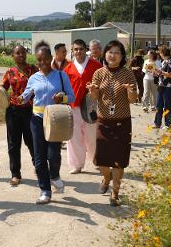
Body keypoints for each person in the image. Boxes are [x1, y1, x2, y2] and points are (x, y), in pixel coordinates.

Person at [19, 41, 75, 204]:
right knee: (39, 157)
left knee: (54, 155)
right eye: (39, 60)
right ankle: (45, 190)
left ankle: (55, 175)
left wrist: (62, 97)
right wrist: (21, 98)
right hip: (37, 120)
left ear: (51, 57)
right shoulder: (33, 78)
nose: (42, 63)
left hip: (56, 119)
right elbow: (26, 95)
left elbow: (71, 97)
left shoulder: (60, 75)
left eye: (45, 59)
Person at [87, 40, 137, 207]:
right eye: (110, 52)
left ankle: (115, 192)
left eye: (117, 52)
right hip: (103, 121)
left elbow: (133, 100)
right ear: (105, 54)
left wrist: (130, 92)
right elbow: (94, 98)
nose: (113, 55)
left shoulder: (128, 74)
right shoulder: (99, 73)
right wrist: (93, 91)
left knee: (119, 160)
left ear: (122, 56)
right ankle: (106, 177)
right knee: (101, 160)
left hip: (122, 123)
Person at [63, 39, 103, 174]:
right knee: (74, 137)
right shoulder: (67, 69)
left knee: (92, 135)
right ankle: (77, 164)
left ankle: (95, 159)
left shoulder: (96, 66)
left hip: (91, 106)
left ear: (86, 50)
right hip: (73, 106)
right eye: (76, 49)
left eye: (81, 49)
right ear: (72, 51)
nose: (78, 52)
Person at [0, 45, 36, 186]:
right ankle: (15, 174)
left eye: (23, 52)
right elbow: (3, 88)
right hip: (13, 111)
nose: (21, 55)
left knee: (32, 141)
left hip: (30, 111)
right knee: (13, 144)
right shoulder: (10, 72)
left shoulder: (33, 70)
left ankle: (38, 167)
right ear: (12, 56)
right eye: (17, 53)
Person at [153, 47, 171, 129]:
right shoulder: (164, 62)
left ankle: (168, 124)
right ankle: (157, 123)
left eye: (160, 52)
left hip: (169, 87)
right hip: (161, 86)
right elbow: (162, 74)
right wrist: (155, 72)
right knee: (158, 105)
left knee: (167, 105)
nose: (159, 54)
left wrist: (161, 72)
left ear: (163, 53)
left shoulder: (170, 62)